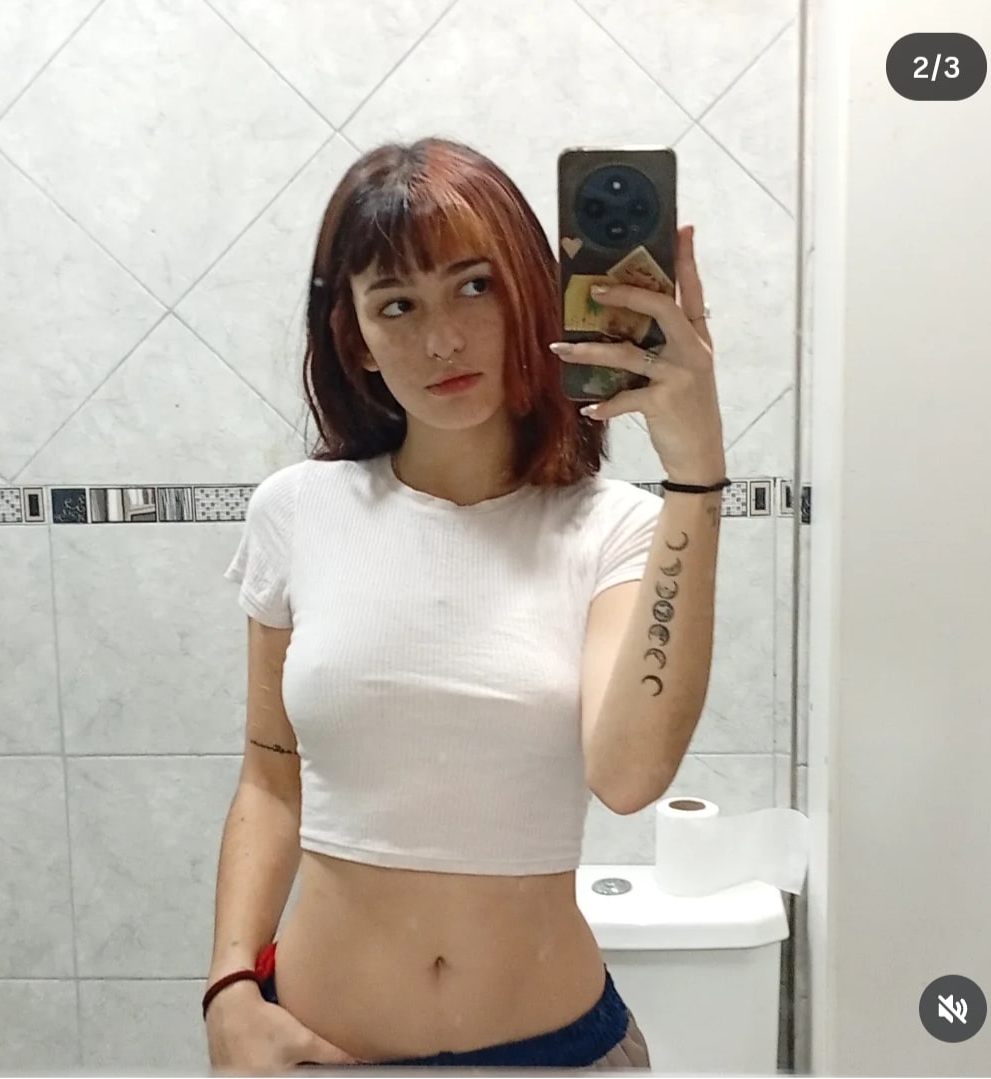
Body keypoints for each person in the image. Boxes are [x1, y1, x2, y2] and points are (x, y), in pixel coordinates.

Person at [203, 137, 727, 1074]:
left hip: (562, 1053)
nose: (441, 339)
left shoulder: (614, 529)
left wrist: (696, 474)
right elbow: (270, 777)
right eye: (396, 304)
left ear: (530, 293)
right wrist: (229, 989)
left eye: (474, 287)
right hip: (320, 1048)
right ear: (355, 339)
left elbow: (627, 776)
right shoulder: (295, 511)